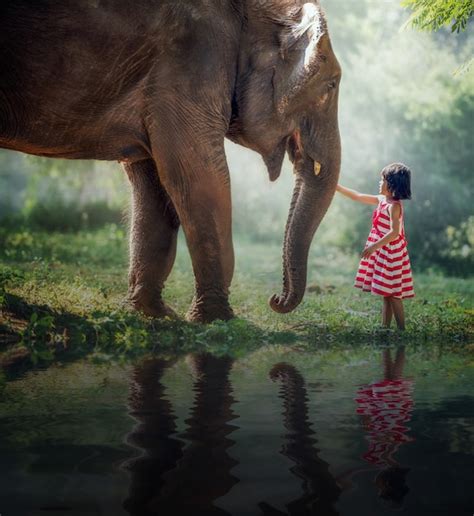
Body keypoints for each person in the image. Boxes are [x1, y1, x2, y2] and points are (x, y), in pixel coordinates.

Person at [336, 163, 414, 330]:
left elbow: (394, 232)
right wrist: (337, 187)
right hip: (383, 251)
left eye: (383, 180)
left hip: (392, 253)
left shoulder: (394, 206)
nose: (380, 182)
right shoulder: (381, 200)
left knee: (393, 294)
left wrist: (373, 247)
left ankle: (402, 330)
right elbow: (357, 196)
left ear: (392, 184)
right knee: (386, 293)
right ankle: (384, 327)